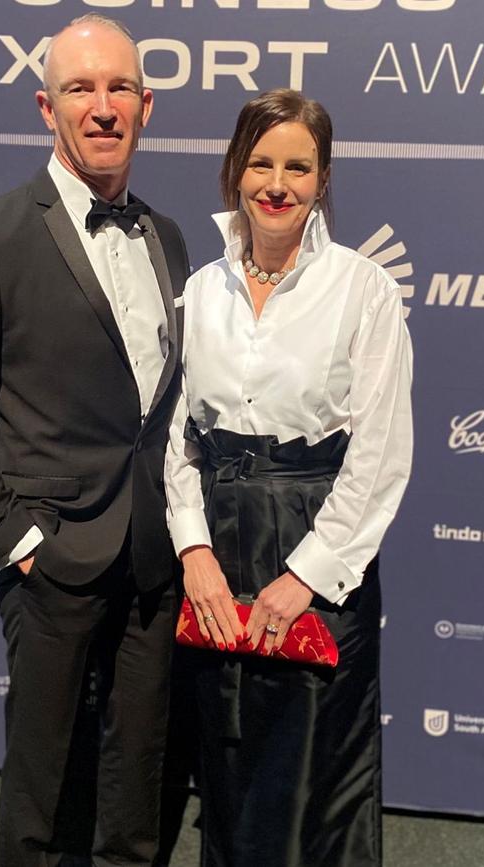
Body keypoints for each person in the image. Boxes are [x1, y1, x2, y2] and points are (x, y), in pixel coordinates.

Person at [0, 14, 188, 867]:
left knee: (139, 790)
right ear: (45, 105)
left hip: (153, 559)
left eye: (119, 88)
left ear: (147, 104)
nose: (103, 107)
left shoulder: (168, 236)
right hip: (50, 561)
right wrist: (18, 544)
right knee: (44, 801)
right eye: (80, 88)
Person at [164, 89, 413, 867]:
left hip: (318, 552)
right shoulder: (202, 289)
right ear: (236, 169)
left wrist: (305, 576)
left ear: (323, 176)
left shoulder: (363, 288)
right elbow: (177, 438)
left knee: (315, 780)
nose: (278, 183)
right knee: (228, 769)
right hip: (218, 557)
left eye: (298, 166)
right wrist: (193, 550)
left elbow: (378, 452)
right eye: (262, 162)